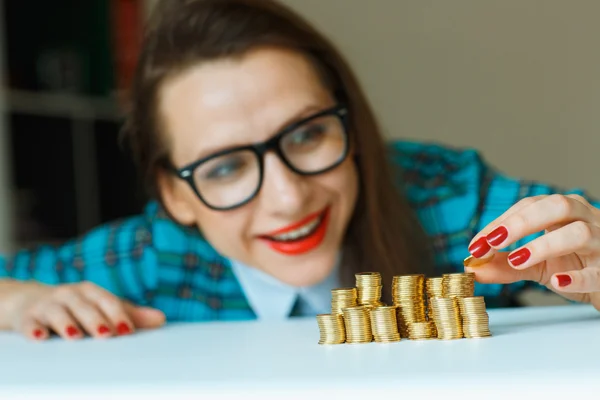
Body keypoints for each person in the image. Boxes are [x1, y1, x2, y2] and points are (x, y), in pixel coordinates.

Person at [1, 0, 599, 341]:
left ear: (353, 126)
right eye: (224, 166)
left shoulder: (444, 197)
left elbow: (583, 232)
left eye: (309, 133)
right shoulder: (155, 253)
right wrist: (17, 300)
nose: (288, 198)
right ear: (173, 196)